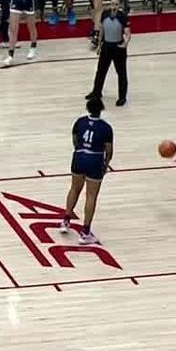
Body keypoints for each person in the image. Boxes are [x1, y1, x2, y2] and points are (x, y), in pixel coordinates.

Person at [60, 96, 113, 245]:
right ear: (101, 109)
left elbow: (75, 140)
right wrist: (105, 165)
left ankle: (65, 221)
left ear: (88, 108)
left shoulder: (80, 122)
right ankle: (85, 232)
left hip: (79, 156)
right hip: (94, 159)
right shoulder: (106, 127)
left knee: (74, 189)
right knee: (91, 196)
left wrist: (80, 151)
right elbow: (109, 150)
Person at [86, 0, 130, 107]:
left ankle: (122, 97)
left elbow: (127, 33)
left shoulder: (122, 17)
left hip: (118, 47)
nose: (114, 6)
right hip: (106, 46)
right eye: (112, 4)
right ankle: (96, 92)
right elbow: (102, 30)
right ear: (110, 5)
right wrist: (99, 45)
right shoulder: (105, 14)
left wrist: (125, 43)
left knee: (121, 73)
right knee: (101, 71)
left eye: (116, 4)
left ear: (119, 5)